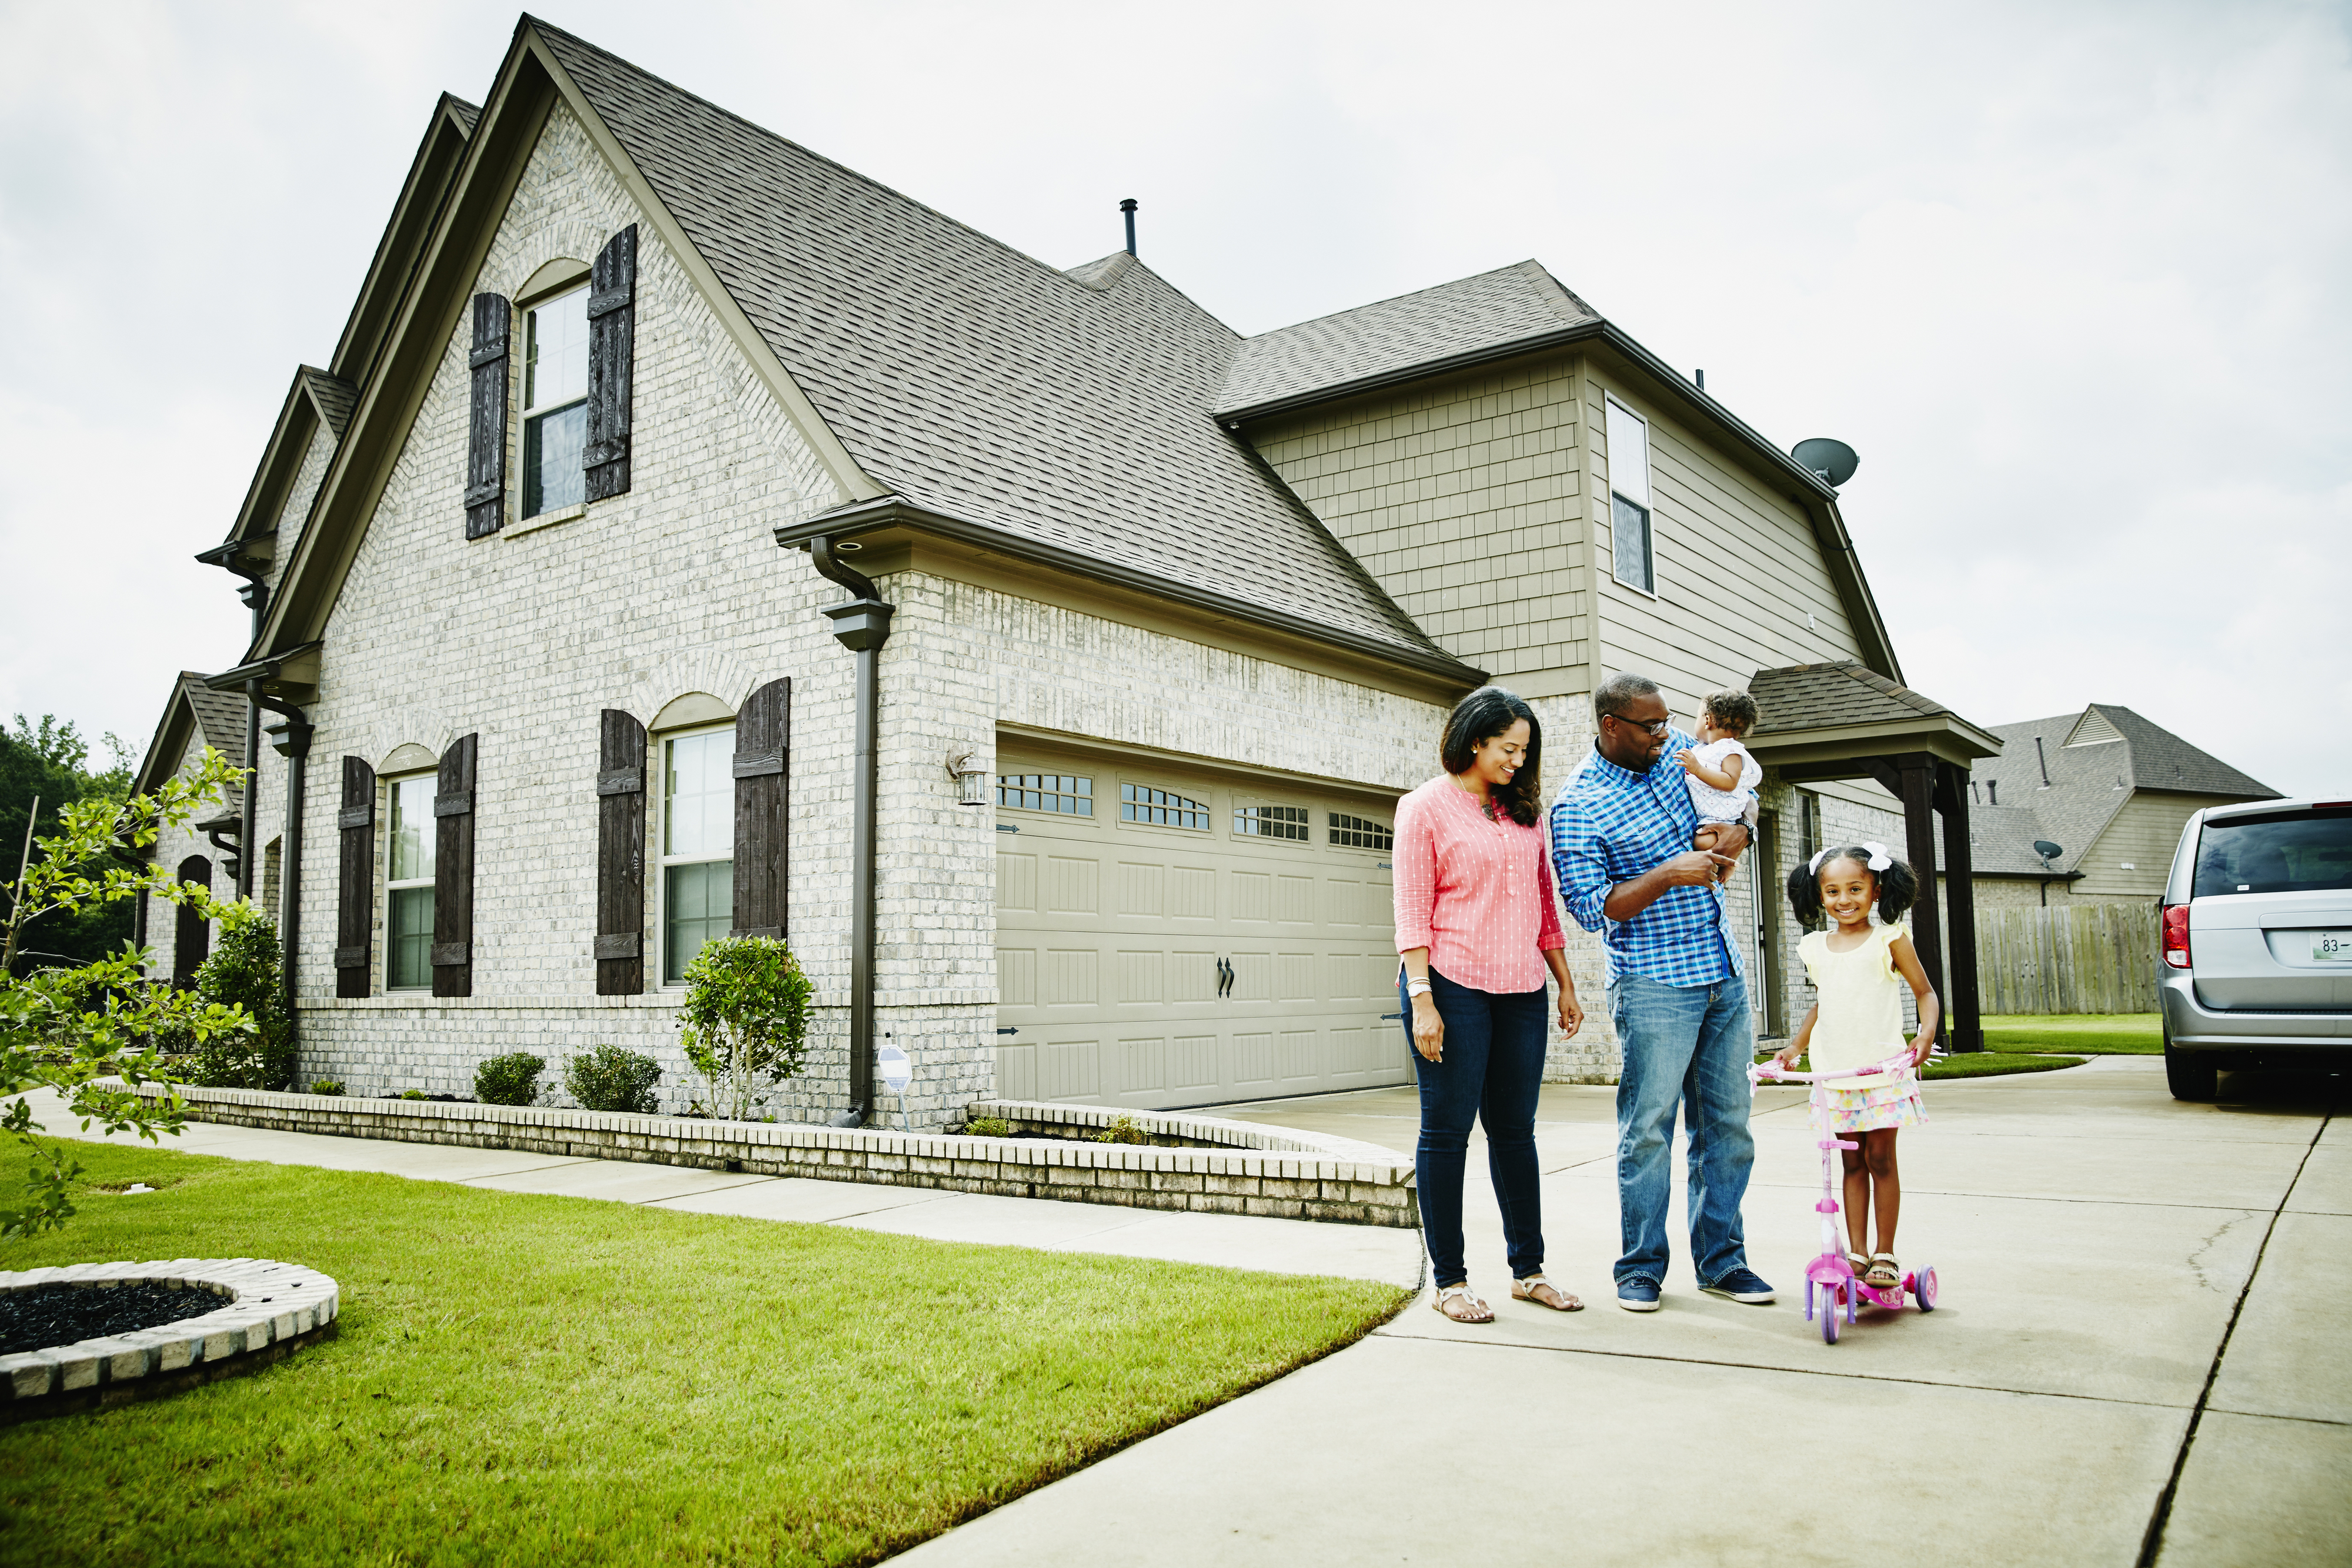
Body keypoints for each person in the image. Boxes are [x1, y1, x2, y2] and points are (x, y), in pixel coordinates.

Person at [1549, 672, 1775, 1312]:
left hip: (1722, 973)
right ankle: (1640, 1268)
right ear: (1610, 726)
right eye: (1649, 727)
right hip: (1654, 983)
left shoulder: (1678, 748)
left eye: (1666, 722)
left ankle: (1723, 1264)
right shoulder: (1579, 804)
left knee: (1728, 1130)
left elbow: (1744, 796)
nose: (1664, 735)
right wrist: (1668, 872)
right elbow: (1593, 910)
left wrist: (1746, 832)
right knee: (1648, 1130)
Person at [1394, 686, 1586, 1323]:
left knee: (1514, 1133)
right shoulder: (1423, 807)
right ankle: (1449, 1282)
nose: (1517, 760)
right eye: (1508, 748)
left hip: (1522, 989)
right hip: (1450, 985)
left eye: (1524, 751)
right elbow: (1411, 914)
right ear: (1474, 740)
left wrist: (1563, 982)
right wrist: (1423, 1001)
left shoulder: (1524, 813)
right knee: (1447, 1133)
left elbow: (1542, 906)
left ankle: (1527, 1271)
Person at [1776, 843, 1940, 1291]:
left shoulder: (1890, 938)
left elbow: (1925, 992)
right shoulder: (1813, 946)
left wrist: (1924, 1035)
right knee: (1850, 1165)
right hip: (1836, 1077)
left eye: (1854, 888)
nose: (1843, 900)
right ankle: (1857, 1253)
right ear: (1819, 894)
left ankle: (1885, 1252)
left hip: (1881, 1072)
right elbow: (1822, 1003)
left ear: (1876, 889)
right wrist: (1795, 1046)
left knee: (1881, 1158)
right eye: (1832, 891)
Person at [1676, 691, 1762, 877]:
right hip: (1708, 815)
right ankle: (1725, 865)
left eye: (1698, 716)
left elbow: (1730, 782)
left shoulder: (1730, 751)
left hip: (1722, 818)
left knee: (1701, 844)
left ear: (1707, 721)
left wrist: (1697, 769)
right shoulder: (1703, 749)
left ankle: (1728, 864)